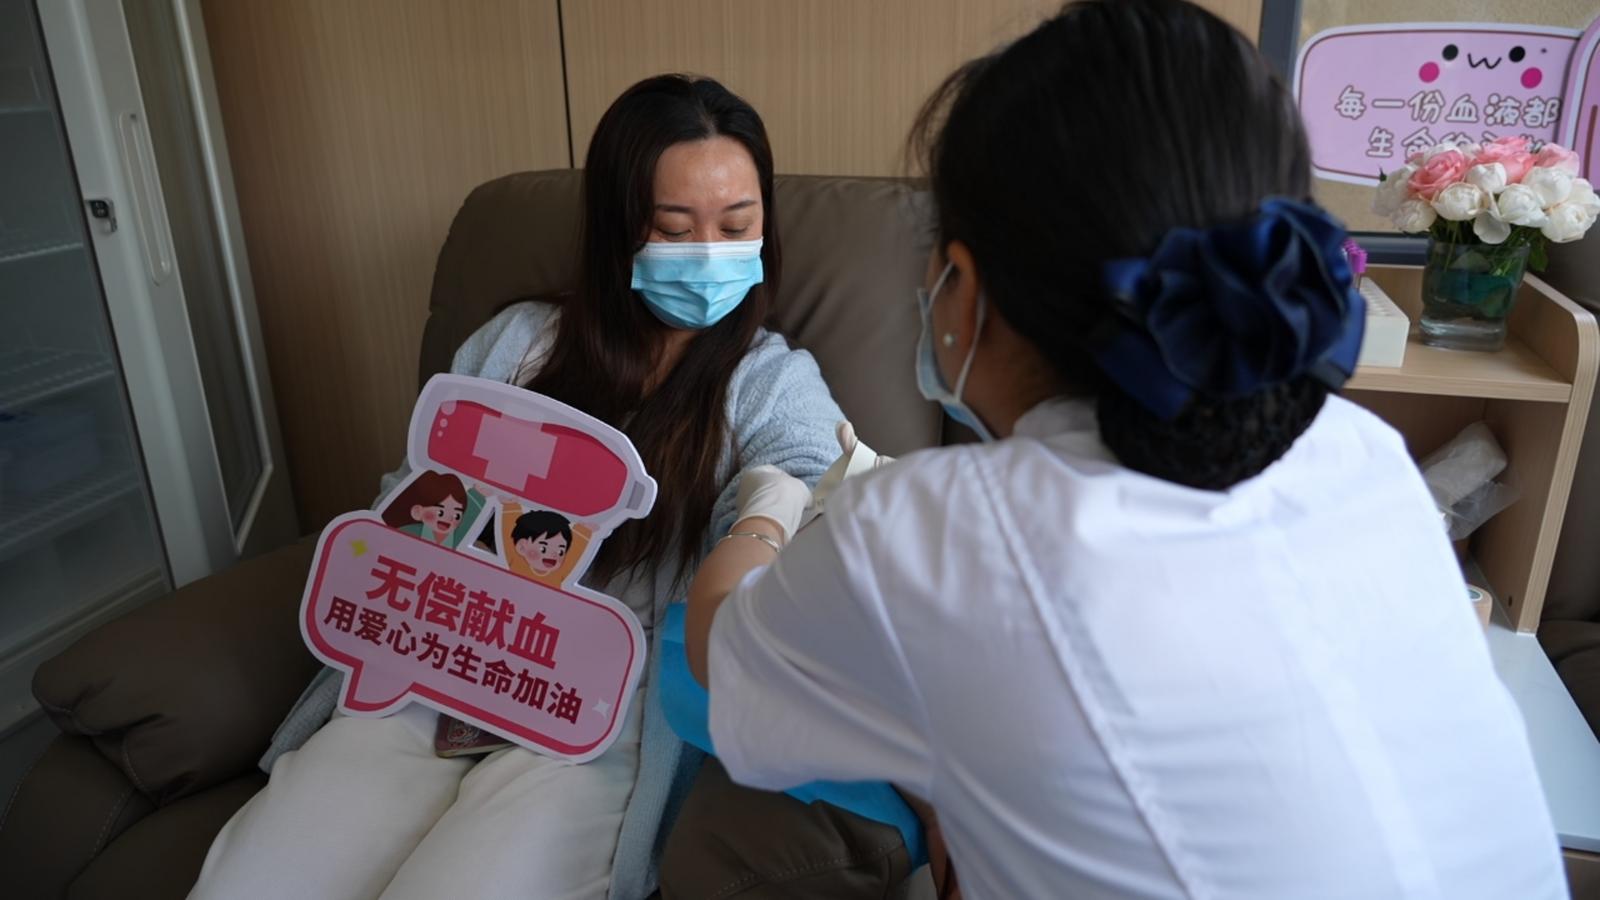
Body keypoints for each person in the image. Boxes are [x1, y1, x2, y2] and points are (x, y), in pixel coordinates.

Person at [684, 3, 1568, 899]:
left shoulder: (931, 532)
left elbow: (724, 659)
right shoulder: (1362, 453)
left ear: (966, 286)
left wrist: (765, 508)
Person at [191, 74, 851, 900]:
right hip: (442, 659)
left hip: (600, 708)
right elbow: (413, 495)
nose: (709, 253)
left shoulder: (767, 380)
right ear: (616, 230)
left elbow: (810, 476)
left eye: (736, 225)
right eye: (675, 229)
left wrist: (766, 520)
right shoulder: (518, 344)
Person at [378, 470, 482, 549]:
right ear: (417, 512)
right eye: (440, 512)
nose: (448, 518)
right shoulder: (406, 533)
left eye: (456, 515)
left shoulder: (460, 536)